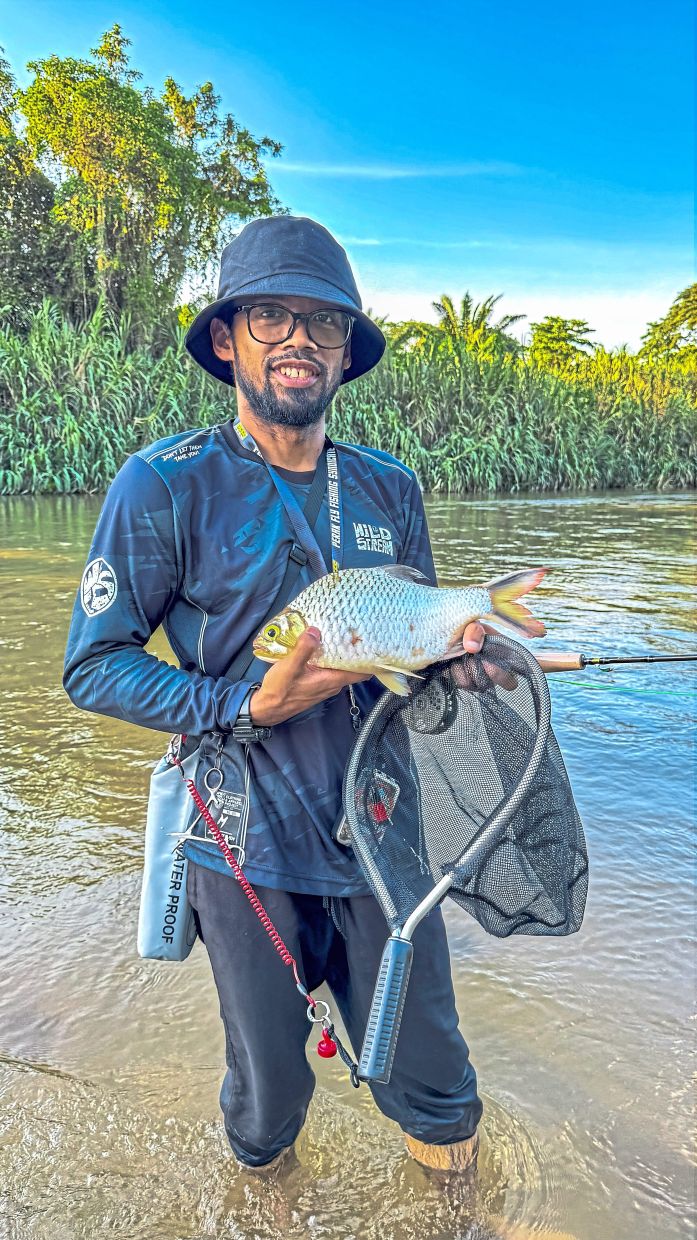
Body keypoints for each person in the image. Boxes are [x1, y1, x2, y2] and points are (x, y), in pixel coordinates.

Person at [63, 215, 485, 1175]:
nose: (297, 338)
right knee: (268, 1098)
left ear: (345, 350)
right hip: (240, 843)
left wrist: (456, 662)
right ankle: (270, 1209)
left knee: (436, 1088)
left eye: (323, 322)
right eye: (269, 316)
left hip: (383, 832)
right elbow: (93, 665)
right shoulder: (163, 485)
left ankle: (459, 1215)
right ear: (226, 338)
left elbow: (410, 653)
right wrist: (244, 708)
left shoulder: (389, 489)